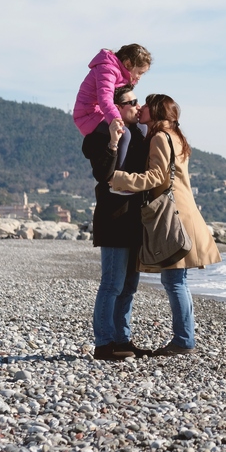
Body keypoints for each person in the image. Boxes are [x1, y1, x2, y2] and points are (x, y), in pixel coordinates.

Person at [109, 94, 222, 356]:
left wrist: (118, 179)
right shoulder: (176, 135)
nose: (141, 109)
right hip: (184, 212)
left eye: (146, 105)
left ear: (156, 110)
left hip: (173, 216)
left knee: (175, 283)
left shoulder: (160, 137)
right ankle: (185, 338)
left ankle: (184, 341)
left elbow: (157, 176)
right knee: (177, 281)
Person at [82, 84, 151, 361]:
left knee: (130, 285)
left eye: (137, 101)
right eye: (131, 102)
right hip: (112, 218)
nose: (137, 106)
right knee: (111, 283)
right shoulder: (100, 136)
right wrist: (112, 141)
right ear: (117, 108)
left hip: (136, 219)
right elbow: (103, 174)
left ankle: (122, 339)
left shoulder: (141, 135)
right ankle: (103, 343)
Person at [74, 44, 152, 168]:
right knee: (124, 133)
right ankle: (119, 176)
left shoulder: (122, 74)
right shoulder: (107, 69)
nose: (139, 77)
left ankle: (138, 171)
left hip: (103, 112)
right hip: (88, 114)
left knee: (142, 128)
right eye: (140, 72)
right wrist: (116, 120)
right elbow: (105, 99)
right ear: (127, 64)